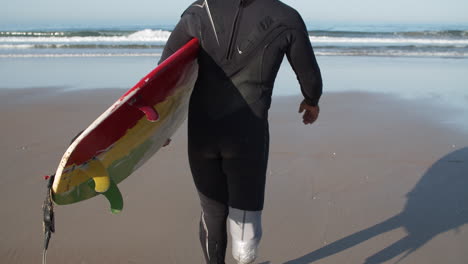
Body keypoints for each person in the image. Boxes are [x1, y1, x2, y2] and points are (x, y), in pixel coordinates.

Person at [159, 0, 322, 263]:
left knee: (211, 212)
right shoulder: (287, 17)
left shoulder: (198, 11)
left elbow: (164, 73)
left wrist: (161, 126)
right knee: (245, 221)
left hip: (203, 134)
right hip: (248, 136)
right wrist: (311, 100)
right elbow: (310, 76)